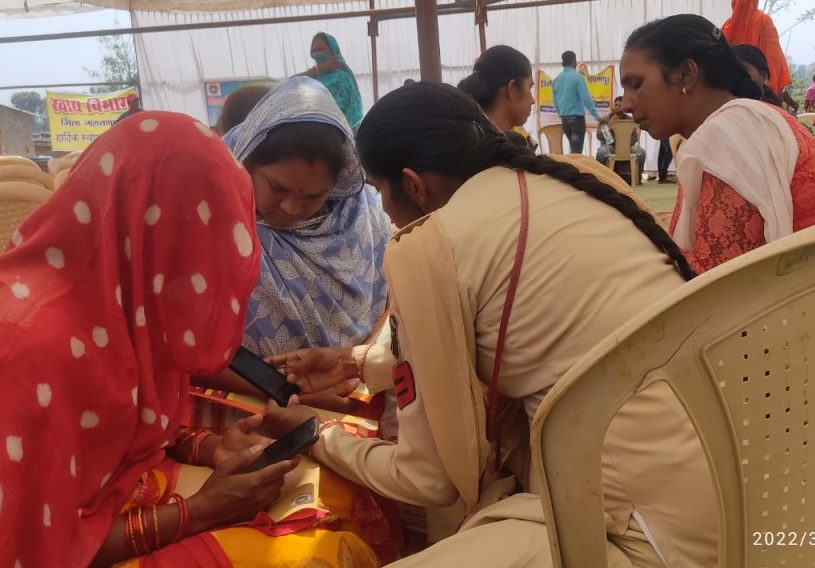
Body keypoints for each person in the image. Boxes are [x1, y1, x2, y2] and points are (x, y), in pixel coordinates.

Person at [264, 82, 718, 568]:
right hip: (735, 476)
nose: (385, 214)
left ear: (414, 184)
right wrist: (355, 363)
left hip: (641, 534)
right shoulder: (579, 179)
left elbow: (428, 478)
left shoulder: (431, 246)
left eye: (378, 192)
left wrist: (318, 434)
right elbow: (548, 327)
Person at [0, 111, 379, 567]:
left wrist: (208, 447)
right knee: (314, 556)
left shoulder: (120, 300)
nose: (214, 261)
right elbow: (16, 552)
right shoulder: (27, 349)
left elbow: (113, 433)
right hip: (39, 544)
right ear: (148, 225)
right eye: (203, 236)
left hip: (122, 488)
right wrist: (200, 513)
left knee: (341, 493)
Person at [621, 14, 815, 275]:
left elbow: (713, 280)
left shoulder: (728, 135)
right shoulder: (753, 118)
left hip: (789, 296)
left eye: (636, 84)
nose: (625, 104)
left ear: (686, 75)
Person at [224, 76, 389, 357]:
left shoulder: (364, 219)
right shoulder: (218, 227)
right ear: (247, 161)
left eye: (313, 196)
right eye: (277, 188)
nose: (290, 208)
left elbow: (389, 311)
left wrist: (354, 366)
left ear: (336, 184)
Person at [734, 43, 815, 183]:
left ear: (764, 76)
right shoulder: (807, 92)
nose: (737, 78)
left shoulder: (765, 110)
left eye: (743, 71)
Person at [722, 0, 798, 111]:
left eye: (745, 3)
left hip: (760, 89)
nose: (742, 7)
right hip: (731, 88)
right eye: (739, 3)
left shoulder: (764, 22)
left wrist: (768, 85)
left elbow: (773, 60)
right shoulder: (728, 26)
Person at [457, 45, 536, 143]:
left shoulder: (464, 140)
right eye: (530, 86)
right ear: (513, 89)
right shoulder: (499, 149)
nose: (533, 101)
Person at [300, 33, 364, 129]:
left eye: (321, 49)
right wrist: (316, 69)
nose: (317, 53)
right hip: (314, 130)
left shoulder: (342, 77)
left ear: (332, 49)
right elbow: (289, 84)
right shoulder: (312, 75)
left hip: (340, 131)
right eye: (314, 50)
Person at [552, 50, 601, 153]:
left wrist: (562, 114)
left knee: (573, 149)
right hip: (577, 121)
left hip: (565, 121)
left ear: (562, 63)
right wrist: (597, 117)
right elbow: (586, 99)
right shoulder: (578, 78)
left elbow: (555, 102)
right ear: (574, 61)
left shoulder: (556, 80)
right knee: (576, 152)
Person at [595, 96, 645, 180]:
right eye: (616, 105)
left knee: (641, 152)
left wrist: (624, 144)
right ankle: (599, 177)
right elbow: (599, 136)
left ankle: (637, 178)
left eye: (620, 105)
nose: (618, 108)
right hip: (609, 146)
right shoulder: (606, 119)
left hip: (626, 147)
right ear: (613, 106)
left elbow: (635, 137)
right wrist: (609, 124)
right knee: (601, 152)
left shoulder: (629, 120)